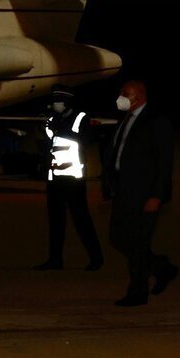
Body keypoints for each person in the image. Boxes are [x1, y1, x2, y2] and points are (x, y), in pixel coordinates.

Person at [102, 80, 177, 306]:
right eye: (121, 92)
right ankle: (161, 267)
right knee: (118, 238)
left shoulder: (156, 122)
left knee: (139, 243)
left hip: (145, 193)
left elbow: (165, 162)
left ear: (140, 96)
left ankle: (137, 293)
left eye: (126, 93)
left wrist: (157, 195)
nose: (121, 97)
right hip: (123, 191)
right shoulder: (125, 121)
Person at [34, 85, 103, 271]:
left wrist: (61, 129)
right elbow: (46, 145)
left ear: (67, 101)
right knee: (55, 221)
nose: (55, 104)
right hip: (55, 177)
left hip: (73, 177)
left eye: (59, 101)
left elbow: (86, 139)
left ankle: (96, 258)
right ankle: (55, 259)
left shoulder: (81, 117)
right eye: (54, 101)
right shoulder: (51, 119)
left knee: (81, 219)